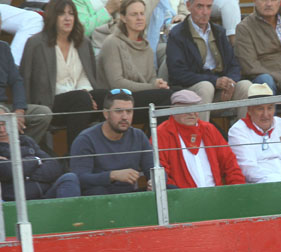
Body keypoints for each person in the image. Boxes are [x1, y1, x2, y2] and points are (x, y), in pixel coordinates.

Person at [20, 0, 109, 149]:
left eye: (71, 14)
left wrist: (86, 93)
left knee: (107, 97)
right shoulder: (36, 43)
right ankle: (76, 153)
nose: (67, 18)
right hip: (50, 102)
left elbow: (86, 76)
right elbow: (26, 79)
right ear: (52, 17)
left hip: (82, 99)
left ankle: (108, 150)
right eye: (61, 14)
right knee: (80, 99)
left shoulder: (83, 42)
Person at [165, 0, 251, 121]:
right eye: (200, 6)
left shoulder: (219, 31)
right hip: (191, 90)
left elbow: (234, 64)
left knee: (246, 86)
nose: (205, 12)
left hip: (221, 91)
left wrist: (230, 83)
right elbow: (177, 73)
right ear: (189, 6)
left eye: (209, 7)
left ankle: (244, 132)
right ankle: (200, 131)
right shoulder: (177, 34)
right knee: (206, 87)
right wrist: (214, 81)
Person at [98, 0, 173, 126]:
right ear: (123, 18)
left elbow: (151, 78)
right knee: (167, 97)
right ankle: (154, 136)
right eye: (134, 14)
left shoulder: (147, 46)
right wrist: (152, 86)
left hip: (141, 97)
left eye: (142, 14)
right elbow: (117, 83)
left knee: (177, 93)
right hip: (118, 99)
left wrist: (158, 83)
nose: (139, 18)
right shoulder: (112, 43)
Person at [70, 89, 154, 195]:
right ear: (106, 114)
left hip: (130, 195)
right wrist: (112, 176)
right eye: (118, 111)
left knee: (168, 189)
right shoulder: (86, 139)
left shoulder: (138, 136)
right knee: (98, 191)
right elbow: (79, 178)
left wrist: (154, 182)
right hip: (98, 198)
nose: (125, 117)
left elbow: (154, 168)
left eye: (129, 111)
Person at [156, 89, 245, 187]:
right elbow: (162, 175)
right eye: (186, 109)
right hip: (181, 195)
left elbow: (230, 163)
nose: (192, 113)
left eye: (195, 108)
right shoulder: (161, 133)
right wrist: (177, 194)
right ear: (173, 110)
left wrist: (236, 190)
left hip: (215, 194)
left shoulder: (209, 129)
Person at [228, 83, 281, 182]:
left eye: (270, 108)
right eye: (260, 108)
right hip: (261, 187)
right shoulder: (238, 131)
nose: (266, 114)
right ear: (249, 110)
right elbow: (248, 169)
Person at [0, 105, 80, 201]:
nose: (2, 130)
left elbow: (54, 166)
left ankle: (68, 212)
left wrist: (27, 176)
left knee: (70, 178)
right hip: (15, 202)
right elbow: (7, 170)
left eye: (3, 124)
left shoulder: (26, 140)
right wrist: (37, 160)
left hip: (45, 195)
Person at [0, 40, 51, 145]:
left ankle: (22, 148)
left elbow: (16, 81)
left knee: (43, 113)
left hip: (4, 106)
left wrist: (19, 110)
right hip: (2, 109)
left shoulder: (3, 47)